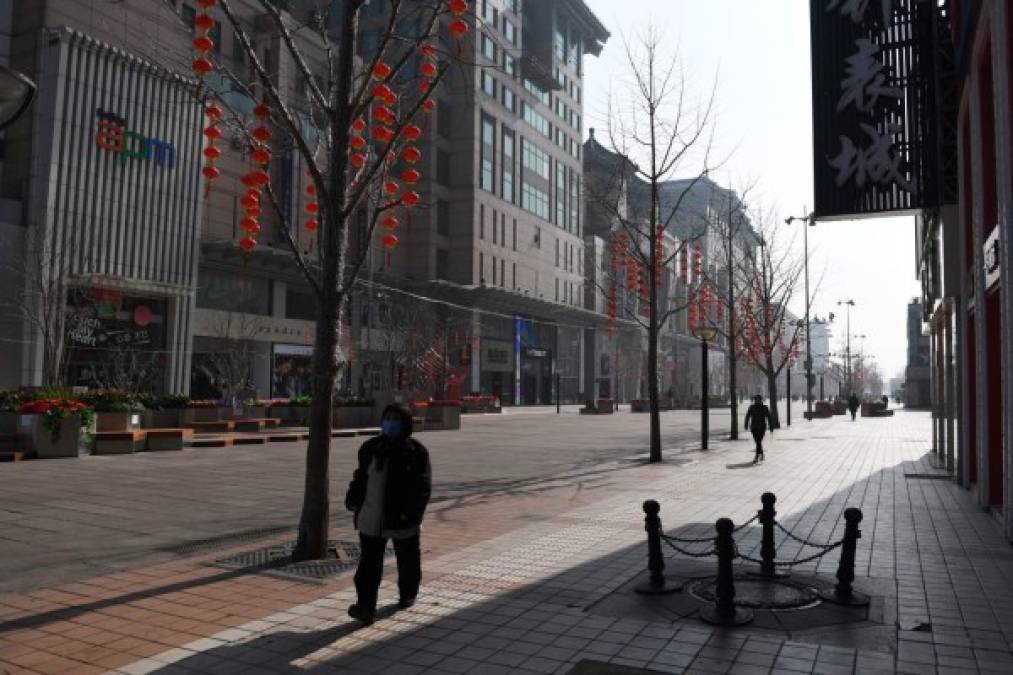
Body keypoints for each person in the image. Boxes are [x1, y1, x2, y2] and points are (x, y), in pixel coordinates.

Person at [345, 404, 432, 625]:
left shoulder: (415, 451)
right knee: (368, 564)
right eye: (387, 418)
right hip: (372, 517)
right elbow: (361, 477)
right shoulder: (371, 447)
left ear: (405, 424)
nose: (390, 423)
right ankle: (365, 606)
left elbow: (422, 488)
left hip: (402, 517)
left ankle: (408, 594)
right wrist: (353, 500)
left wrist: (412, 515)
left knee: (408, 559)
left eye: (395, 419)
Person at [743, 395, 773, 463]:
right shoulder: (752, 407)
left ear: (761, 400)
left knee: (758, 442)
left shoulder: (765, 408)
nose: (757, 401)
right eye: (756, 400)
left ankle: (756, 456)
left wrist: (771, 427)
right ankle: (761, 454)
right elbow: (748, 416)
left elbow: (769, 418)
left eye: (758, 400)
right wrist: (746, 424)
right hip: (754, 427)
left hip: (762, 427)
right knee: (758, 442)